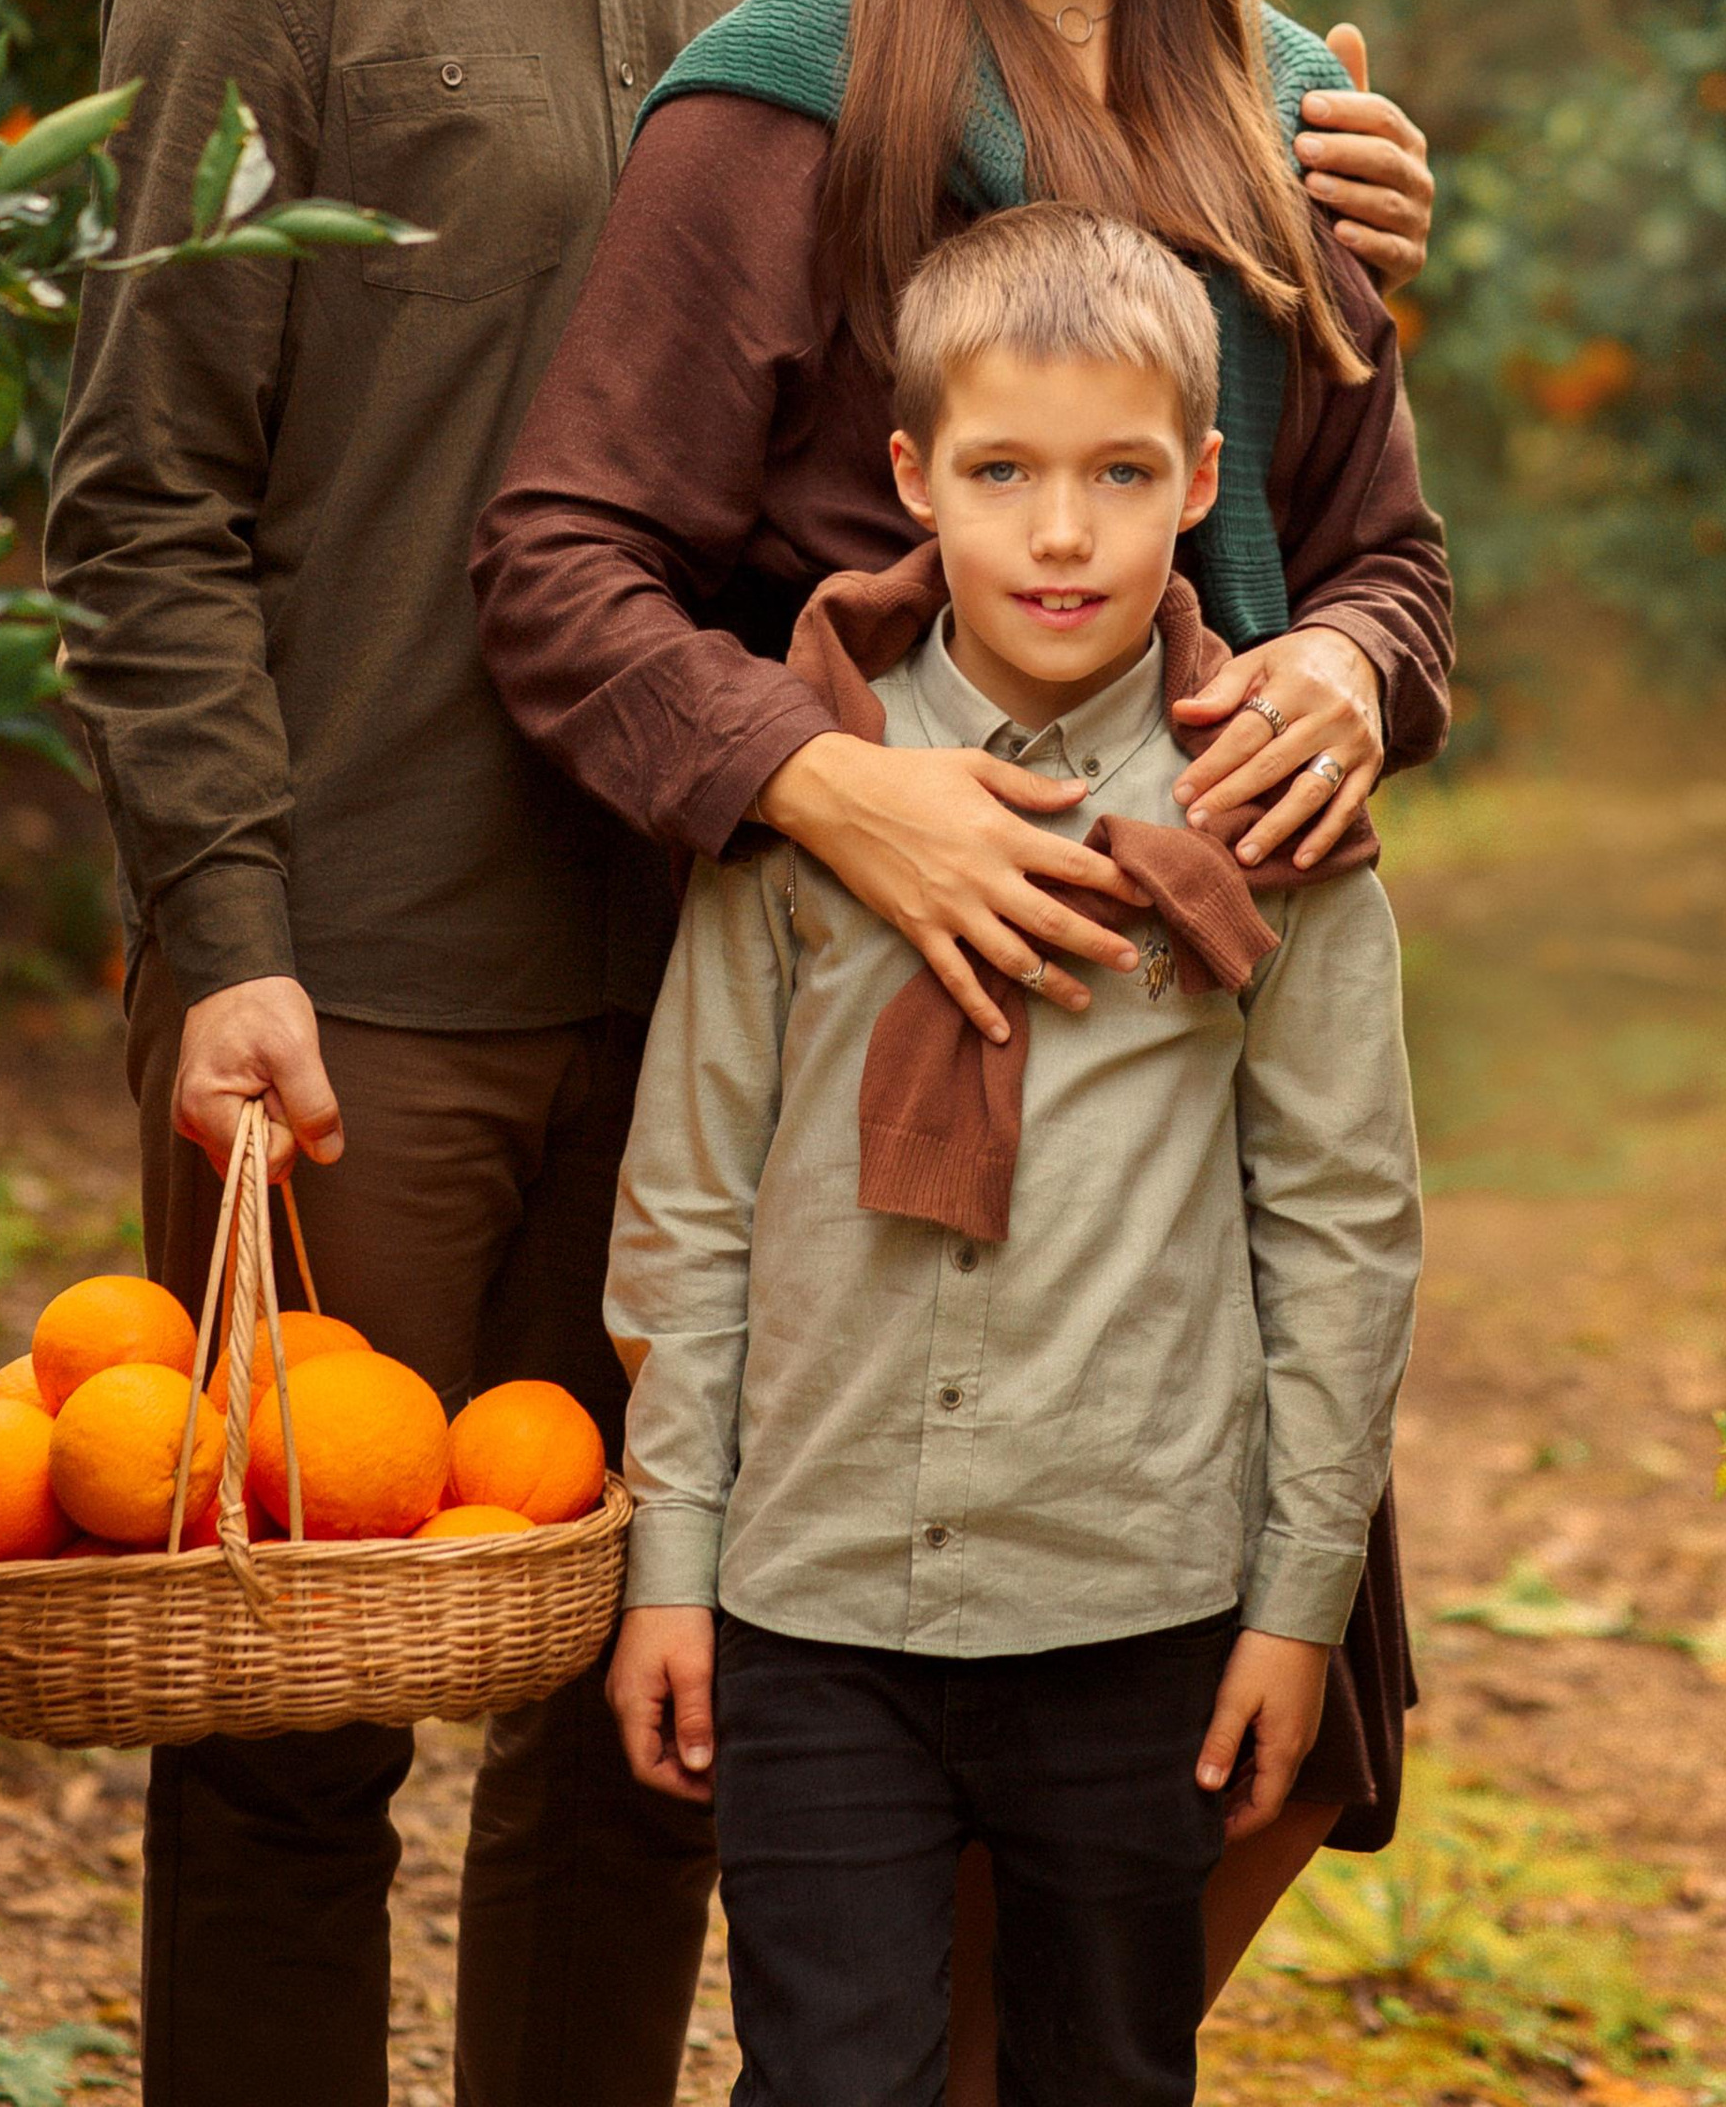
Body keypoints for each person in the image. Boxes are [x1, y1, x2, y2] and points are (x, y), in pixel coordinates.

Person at [46, 0, 1436, 2107]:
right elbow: (149, 502)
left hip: (755, 965)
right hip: (396, 955)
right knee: (295, 1709)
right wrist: (221, 932)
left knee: (662, 1720)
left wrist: (1351, 548)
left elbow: (1204, 439)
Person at [474, 0, 1454, 2072]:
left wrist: (1351, 671)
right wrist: (829, 785)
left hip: (1203, 998)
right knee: (876, 1772)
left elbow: (1384, 553)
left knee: (1215, 1752)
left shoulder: (1280, 102)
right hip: (873, 982)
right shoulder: (780, 100)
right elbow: (554, 569)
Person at [600, 200, 1424, 2107]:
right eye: (1004, 471)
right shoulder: (813, 798)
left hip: (1137, 1598)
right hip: (813, 1607)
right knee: (831, 2077)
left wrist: (1297, 1605)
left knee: (1109, 2072)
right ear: (915, 479)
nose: (1063, 533)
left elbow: (1342, 1228)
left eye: (1123, 475)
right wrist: (675, 1564)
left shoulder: (1267, 814)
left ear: (1200, 483)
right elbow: (693, 1207)